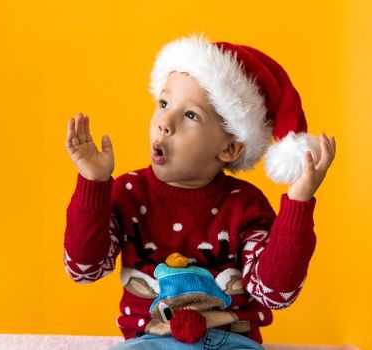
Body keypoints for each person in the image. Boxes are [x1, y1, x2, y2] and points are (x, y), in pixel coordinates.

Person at [63, 33, 337, 350]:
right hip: (151, 340)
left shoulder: (246, 205)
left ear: (231, 148)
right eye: (164, 103)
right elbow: (84, 269)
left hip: (231, 341)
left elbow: (275, 292)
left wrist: (298, 202)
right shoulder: (128, 192)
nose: (165, 122)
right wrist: (93, 183)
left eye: (191, 115)